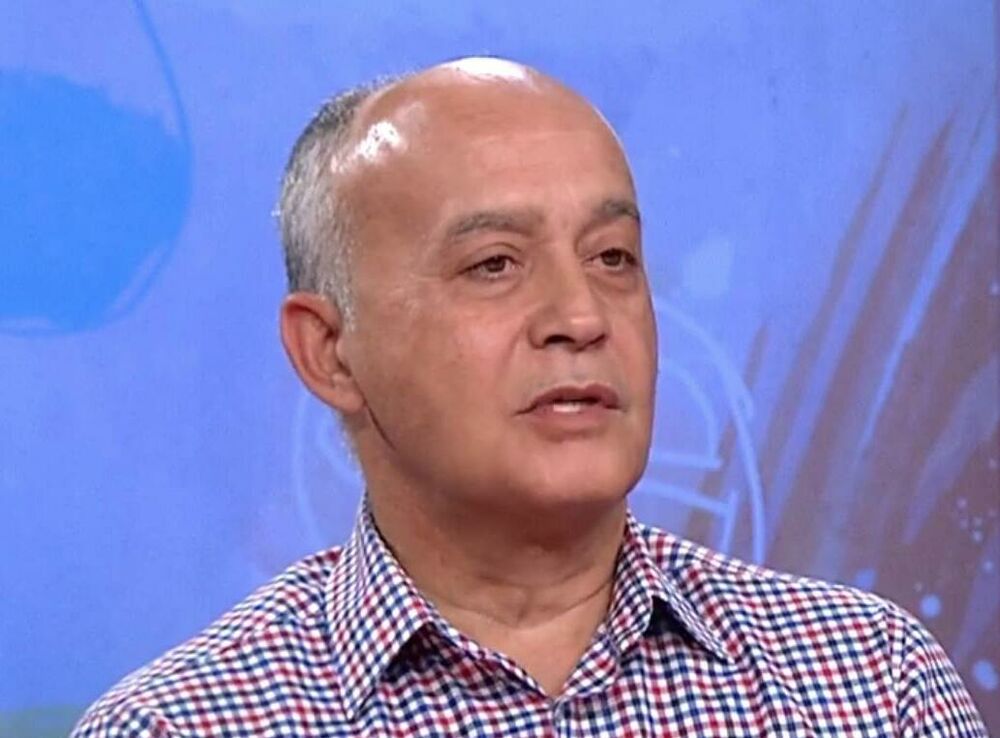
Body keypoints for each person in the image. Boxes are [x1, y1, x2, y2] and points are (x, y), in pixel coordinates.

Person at [71, 57, 987, 737]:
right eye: (494, 265)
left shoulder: (869, 683)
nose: (581, 317)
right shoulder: (182, 724)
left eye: (613, 257)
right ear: (330, 352)